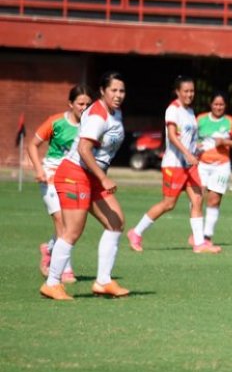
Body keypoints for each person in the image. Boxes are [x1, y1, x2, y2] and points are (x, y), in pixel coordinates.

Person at [40, 71, 130, 300]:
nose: (118, 95)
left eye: (121, 90)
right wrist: (104, 178)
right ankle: (52, 283)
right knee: (72, 231)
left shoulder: (115, 113)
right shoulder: (99, 114)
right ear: (102, 91)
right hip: (75, 173)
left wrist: (99, 176)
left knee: (115, 221)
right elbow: (83, 150)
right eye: (114, 90)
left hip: (91, 175)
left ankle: (103, 282)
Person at [128, 75, 221, 254]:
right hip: (174, 164)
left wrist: (197, 148)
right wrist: (187, 154)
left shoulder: (190, 111)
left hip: (189, 165)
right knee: (168, 204)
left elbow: (188, 138)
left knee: (197, 199)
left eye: (192, 91)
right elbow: (172, 136)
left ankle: (199, 243)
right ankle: (136, 232)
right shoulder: (173, 110)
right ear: (177, 91)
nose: (189, 94)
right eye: (186, 91)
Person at [27, 85, 93, 283]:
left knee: (73, 224)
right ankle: (66, 269)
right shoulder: (55, 122)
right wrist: (39, 169)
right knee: (60, 220)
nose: (84, 108)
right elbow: (32, 145)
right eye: (80, 103)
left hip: (74, 177)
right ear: (70, 104)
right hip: (51, 174)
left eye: (88, 104)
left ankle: (49, 248)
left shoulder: (92, 126)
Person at [188, 91, 232, 247]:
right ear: (210, 105)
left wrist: (225, 142)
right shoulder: (200, 119)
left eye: (221, 104)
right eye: (216, 104)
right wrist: (195, 145)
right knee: (197, 198)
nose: (218, 107)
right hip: (201, 165)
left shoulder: (230, 122)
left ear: (225, 106)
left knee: (214, 199)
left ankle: (207, 236)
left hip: (221, 166)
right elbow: (188, 137)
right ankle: (196, 233)